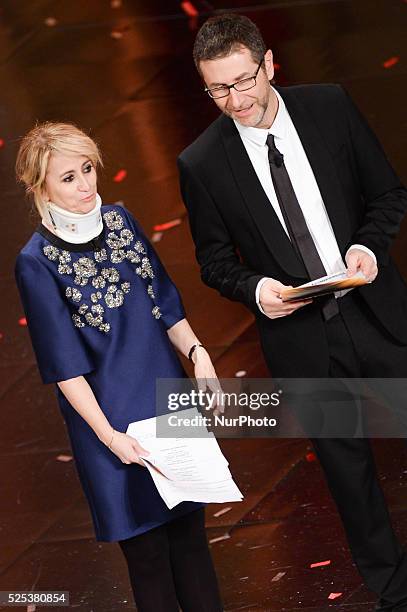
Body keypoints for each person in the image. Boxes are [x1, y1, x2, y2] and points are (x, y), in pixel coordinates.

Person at [177, 13, 407, 612]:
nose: (236, 99)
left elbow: (387, 193)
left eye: (245, 80)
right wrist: (256, 290)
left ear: (269, 63)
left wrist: (368, 245)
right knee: (350, 479)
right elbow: (212, 261)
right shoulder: (201, 163)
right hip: (304, 340)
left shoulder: (329, 108)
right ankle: (393, 592)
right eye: (218, 89)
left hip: (379, 316)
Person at [15, 122, 223, 612]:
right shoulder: (36, 261)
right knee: (148, 556)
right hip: (110, 427)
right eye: (68, 177)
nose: (85, 185)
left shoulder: (121, 222)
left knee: (192, 542)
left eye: (87, 169)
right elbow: (65, 368)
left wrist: (198, 354)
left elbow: (164, 303)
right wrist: (111, 438)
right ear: (39, 187)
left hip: (166, 405)